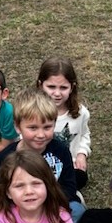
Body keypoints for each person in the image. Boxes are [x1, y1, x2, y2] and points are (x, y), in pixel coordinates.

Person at [0, 90, 85, 223]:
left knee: (77, 209)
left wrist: (48, 206)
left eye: (47, 127)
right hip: (20, 210)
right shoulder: (5, 158)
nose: (41, 135)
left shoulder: (61, 151)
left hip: (54, 206)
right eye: (33, 128)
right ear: (18, 126)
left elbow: (69, 186)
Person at [36, 57, 91, 191]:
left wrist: (82, 154)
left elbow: (84, 135)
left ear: (72, 87)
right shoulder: (33, 112)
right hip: (37, 165)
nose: (57, 93)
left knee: (80, 177)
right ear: (40, 85)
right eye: (51, 87)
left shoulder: (81, 113)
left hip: (68, 166)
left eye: (63, 88)